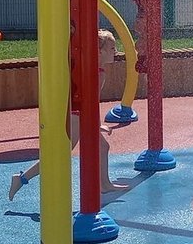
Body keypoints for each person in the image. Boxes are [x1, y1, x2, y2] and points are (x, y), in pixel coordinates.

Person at [9, 28, 130, 200]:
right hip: (76, 116)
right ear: (99, 51)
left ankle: (104, 185)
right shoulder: (96, 72)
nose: (116, 52)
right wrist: (96, 124)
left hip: (78, 113)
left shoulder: (95, 68)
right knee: (61, 154)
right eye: (111, 48)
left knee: (103, 147)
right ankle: (22, 178)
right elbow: (89, 100)